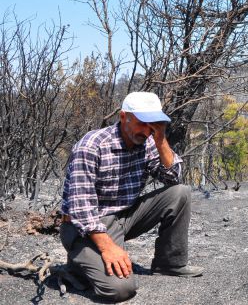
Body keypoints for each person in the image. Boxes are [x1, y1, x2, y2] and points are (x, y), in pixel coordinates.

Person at [60, 92, 203, 302]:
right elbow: (82, 210)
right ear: (123, 116)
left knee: (180, 193)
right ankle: (76, 268)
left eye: (153, 124)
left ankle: (169, 264)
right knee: (121, 289)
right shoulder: (91, 145)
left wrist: (161, 139)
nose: (147, 130)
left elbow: (174, 179)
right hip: (84, 226)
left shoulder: (149, 141)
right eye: (142, 122)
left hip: (125, 216)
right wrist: (108, 248)